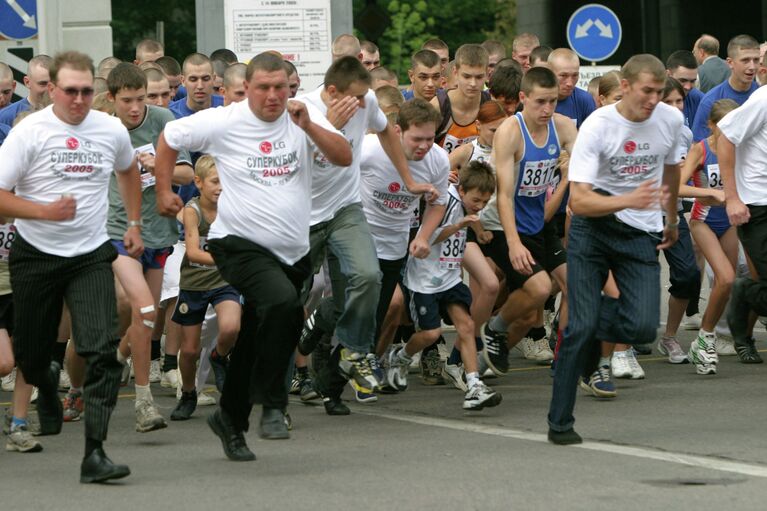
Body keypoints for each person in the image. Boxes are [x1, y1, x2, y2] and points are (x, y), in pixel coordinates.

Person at [154, 51, 351, 461]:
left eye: (281, 87)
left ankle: (230, 419)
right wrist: (162, 192)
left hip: (290, 251)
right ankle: (275, 405)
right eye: (263, 87)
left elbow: (343, 157)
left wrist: (311, 126)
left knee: (256, 336)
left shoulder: (303, 118)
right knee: (282, 304)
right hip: (237, 244)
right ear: (246, 90)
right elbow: (169, 138)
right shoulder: (227, 121)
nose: (273, 95)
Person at [0, 51, 142, 482]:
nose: (79, 100)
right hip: (36, 255)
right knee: (31, 352)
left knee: (101, 351)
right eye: (70, 91)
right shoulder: (31, 132)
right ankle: (46, 385)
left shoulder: (110, 128)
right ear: (52, 90)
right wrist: (43, 212)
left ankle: (94, 454)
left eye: (86, 91)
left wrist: (133, 221)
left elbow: (129, 170)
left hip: (89, 255)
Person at [547, 54, 684, 445]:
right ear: (624, 87)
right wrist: (628, 200)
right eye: (646, 91)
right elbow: (582, 202)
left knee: (642, 327)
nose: (654, 100)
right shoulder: (598, 126)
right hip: (594, 228)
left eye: (660, 92)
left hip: (641, 229)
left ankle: (589, 330)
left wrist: (670, 217)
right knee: (579, 327)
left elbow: (672, 168)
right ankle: (560, 424)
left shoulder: (670, 120)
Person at [297, 57, 438, 411]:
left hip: (348, 217)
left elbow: (385, 129)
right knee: (291, 301)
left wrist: (408, 180)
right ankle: (312, 328)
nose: (363, 105)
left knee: (366, 302)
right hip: (303, 217)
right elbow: (299, 165)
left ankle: (331, 388)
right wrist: (328, 126)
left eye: (365, 98)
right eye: (356, 98)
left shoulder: (369, 103)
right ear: (332, 92)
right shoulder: (305, 112)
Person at [480, 67, 577, 373]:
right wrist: (513, 244)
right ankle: (494, 329)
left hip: (539, 221)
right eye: (540, 102)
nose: (547, 109)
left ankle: (563, 356)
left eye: (553, 101)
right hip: (501, 224)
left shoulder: (562, 128)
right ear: (523, 98)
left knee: (572, 285)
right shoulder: (510, 131)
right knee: (537, 289)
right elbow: (505, 195)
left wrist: (573, 165)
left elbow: (585, 169)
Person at [388, 161, 502, 410]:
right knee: (431, 334)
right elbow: (426, 236)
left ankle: (473, 386)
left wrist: (479, 231)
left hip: (449, 276)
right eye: (476, 200)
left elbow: (469, 218)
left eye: (485, 202)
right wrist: (457, 227)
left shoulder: (467, 204)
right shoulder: (445, 203)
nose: (480, 206)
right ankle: (402, 356)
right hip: (425, 280)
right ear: (461, 191)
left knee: (467, 325)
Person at [171, 156, 241, 420]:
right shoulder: (193, 211)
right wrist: (226, 259)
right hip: (194, 284)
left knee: (231, 327)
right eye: (214, 181)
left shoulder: (232, 207)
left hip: (223, 282)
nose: (220, 187)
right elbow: (192, 253)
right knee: (188, 351)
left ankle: (218, 355)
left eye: (224, 181)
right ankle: (189, 393)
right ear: (198, 183)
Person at [679, 99, 742, 374]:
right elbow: (677, 187)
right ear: (711, 125)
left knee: (727, 283)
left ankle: (705, 338)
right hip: (703, 220)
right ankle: (706, 339)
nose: (730, 133)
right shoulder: (700, 149)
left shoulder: (741, 148)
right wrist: (709, 193)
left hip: (729, 221)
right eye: (724, 127)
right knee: (726, 277)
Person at [718, 75, 767, 364]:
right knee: (762, 282)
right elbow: (725, 139)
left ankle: (747, 297)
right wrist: (733, 197)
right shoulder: (762, 100)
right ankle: (744, 294)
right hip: (758, 204)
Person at [692, 35, 760, 142]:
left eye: (756, 60)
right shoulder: (710, 100)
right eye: (745, 60)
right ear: (730, 63)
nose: (752, 67)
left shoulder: (762, 96)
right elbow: (698, 145)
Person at [432, 44, 490, 153]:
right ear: (455, 72)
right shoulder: (437, 106)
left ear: (487, 74)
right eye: (466, 76)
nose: (473, 83)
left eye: (479, 77)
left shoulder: (491, 105)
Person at [0, 55, 52, 126]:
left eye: (54, 83)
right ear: (27, 82)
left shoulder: (67, 114)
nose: (49, 88)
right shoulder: (6, 116)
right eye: (43, 83)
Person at [169, 53, 224, 119]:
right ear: (183, 81)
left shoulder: (227, 108)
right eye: (193, 80)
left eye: (205, 79)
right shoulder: (170, 114)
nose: (200, 86)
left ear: (213, 79)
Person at [666, 50, 703, 128]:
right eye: (683, 80)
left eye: (692, 81)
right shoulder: (653, 102)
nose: (688, 87)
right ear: (668, 74)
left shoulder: (699, 99)